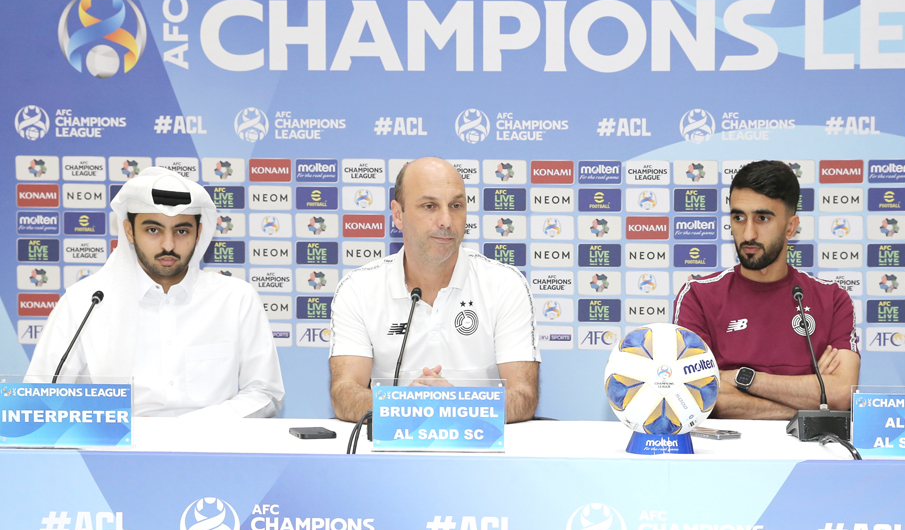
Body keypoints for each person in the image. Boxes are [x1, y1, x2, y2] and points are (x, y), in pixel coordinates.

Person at [27, 167, 284, 418]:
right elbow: (40, 397)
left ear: (199, 233)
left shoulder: (235, 298)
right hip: (115, 455)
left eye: (182, 231)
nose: (168, 245)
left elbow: (264, 392)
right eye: (153, 230)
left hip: (212, 449)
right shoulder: (86, 302)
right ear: (129, 231)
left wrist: (194, 429)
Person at [329, 157, 540, 423]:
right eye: (429, 206)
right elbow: (344, 394)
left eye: (456, 206)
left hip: (484, 453)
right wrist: (405, 406)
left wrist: (456, 405)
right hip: (390, 453)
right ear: (398, 215)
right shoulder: (358, 288)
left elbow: (524, 396)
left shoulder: (504, 284)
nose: (446, 220)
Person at [673, 160, 859, 419]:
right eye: (739, 217)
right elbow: (694, 393)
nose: (748, 234)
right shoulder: (698, 295)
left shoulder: (832, 298)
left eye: (762, 218)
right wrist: (807, 404)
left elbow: (840, 394)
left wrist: (739, 378)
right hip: (722, 455)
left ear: (791, 227)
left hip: (808, 454)